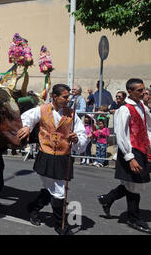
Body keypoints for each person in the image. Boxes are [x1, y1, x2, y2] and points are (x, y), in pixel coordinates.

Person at [17, 84, 88, 235]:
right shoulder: (42, 110)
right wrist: (27, 127)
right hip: (46, 155)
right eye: (65, 96)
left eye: (69, 96)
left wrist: (76, 139)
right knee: (59, 191)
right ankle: (60, 225)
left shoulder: (71, 114)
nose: (68, 99)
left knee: (53, 189)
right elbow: (26, 118)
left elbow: (82, 134)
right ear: (55, 97)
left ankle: (33, 208)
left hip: (63, 157)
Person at [97, 78, 150, 234]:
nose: (144, 92)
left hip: (142, 149)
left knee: (134, 183)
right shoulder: (124, 109)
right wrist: (129, 156)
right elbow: (120, 135)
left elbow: (146, 126)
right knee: (135, 185)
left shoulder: (141, 106)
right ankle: (133, 218)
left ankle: (107, 199)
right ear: (130, 91)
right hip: (131, 150)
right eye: (140, 90)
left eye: (144, 89)